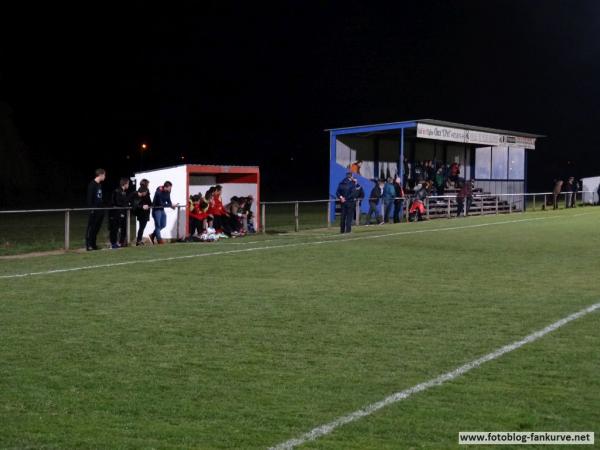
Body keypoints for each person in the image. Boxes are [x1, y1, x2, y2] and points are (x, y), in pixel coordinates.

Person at [85, 168, 106, 251]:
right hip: (94, 210)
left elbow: (99, 198)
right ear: (100, 175)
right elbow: (89, 199)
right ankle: (88, 245)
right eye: (104, 175)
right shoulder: (92, 185)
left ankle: (93, 244)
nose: (105, 176)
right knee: (91, 228)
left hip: (100, 210)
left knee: (96, 228)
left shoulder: (99, 185)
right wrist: (92, 209)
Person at [109, 177, 132, 248]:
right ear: (125, 184)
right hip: (116, 213)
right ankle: (113, 244)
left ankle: (121, 242)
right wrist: (124, 206)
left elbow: (124, 202)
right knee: (115, 229)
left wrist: (128, 204)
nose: (128, 185)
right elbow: (116, 202)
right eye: (128, 184)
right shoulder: (117, 191)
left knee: (123, 228)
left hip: (122, 213)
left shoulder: (124, 192)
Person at [132, 179, 152, 246]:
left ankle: (139, 240)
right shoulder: (141, 190)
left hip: (145, 212)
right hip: (142, 212)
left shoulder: (146, 190)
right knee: (142, 227)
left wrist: (150, 204)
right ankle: (138, 241)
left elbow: (149, 201)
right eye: (148, 184)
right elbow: (136, 202)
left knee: (142, 227)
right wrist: (143, 206)